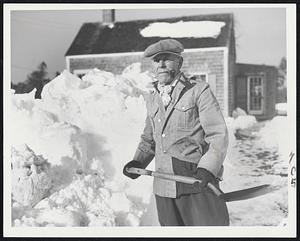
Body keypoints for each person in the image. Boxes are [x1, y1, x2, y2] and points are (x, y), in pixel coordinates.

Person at [123, 39, 229, 226]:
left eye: (166, 59)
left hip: (196, 182)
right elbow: (149, 139)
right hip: (164, 188)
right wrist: (137, 161)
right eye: (156, 61)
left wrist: (207, 169)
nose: (161, 64)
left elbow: (218, 135)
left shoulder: (198, 91)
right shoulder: (152, 98)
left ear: (179, 62)